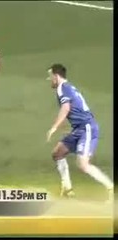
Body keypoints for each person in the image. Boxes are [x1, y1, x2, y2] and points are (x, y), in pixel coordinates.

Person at [46, 64, 113, 200]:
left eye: (50, 76)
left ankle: (110, 187)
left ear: (56, 76)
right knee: (58, 153)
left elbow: (66, 108)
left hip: (87, 128)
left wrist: (54, 127)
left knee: (83, 165)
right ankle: (67, 188)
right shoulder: (68, 87)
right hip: (79, 129)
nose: (49, 79)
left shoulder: (62, 88)